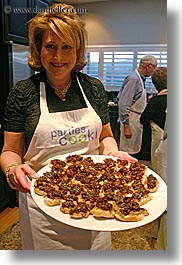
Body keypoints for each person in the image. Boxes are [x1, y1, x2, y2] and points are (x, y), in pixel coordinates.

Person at [0, 3, 137, 250]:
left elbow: (105, 136)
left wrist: (111, 154)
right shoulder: (23, 93)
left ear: (78, 51)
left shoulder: (93, 88)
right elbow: (9, 150)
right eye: (50, 47)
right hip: (43, 205)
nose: (58, 57)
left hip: (95, 201)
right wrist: (12, 170)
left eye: (67, 47)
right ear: (38, 49)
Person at [117, 55, 157, 159]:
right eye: (154, 67)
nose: (154, 71)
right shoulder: (134, 79)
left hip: (135, 120)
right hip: (130, 120)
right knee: (127, 154)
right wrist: (126, 126)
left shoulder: (140, 79)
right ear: (148, 66)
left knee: (133, 151)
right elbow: (123, 103)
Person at [140, 67, 167, 169]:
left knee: (159, 165)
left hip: (160, 138)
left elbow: (144, 119)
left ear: (155, 84)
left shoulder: (156, 101)